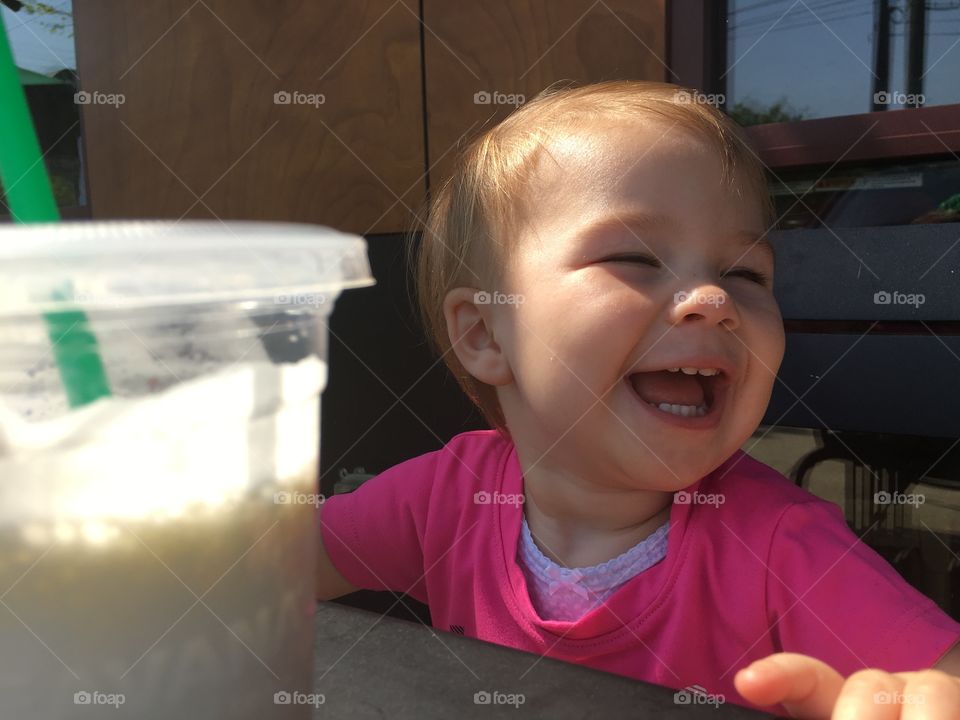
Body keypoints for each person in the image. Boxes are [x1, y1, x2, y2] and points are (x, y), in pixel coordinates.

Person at [315, 80, 960, 717]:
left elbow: (936, 677)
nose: (714, 300)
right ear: (486, 335)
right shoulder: (446, 498)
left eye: (745, 274)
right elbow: (259, 566)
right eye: (634, 257)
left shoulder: (779, 545)